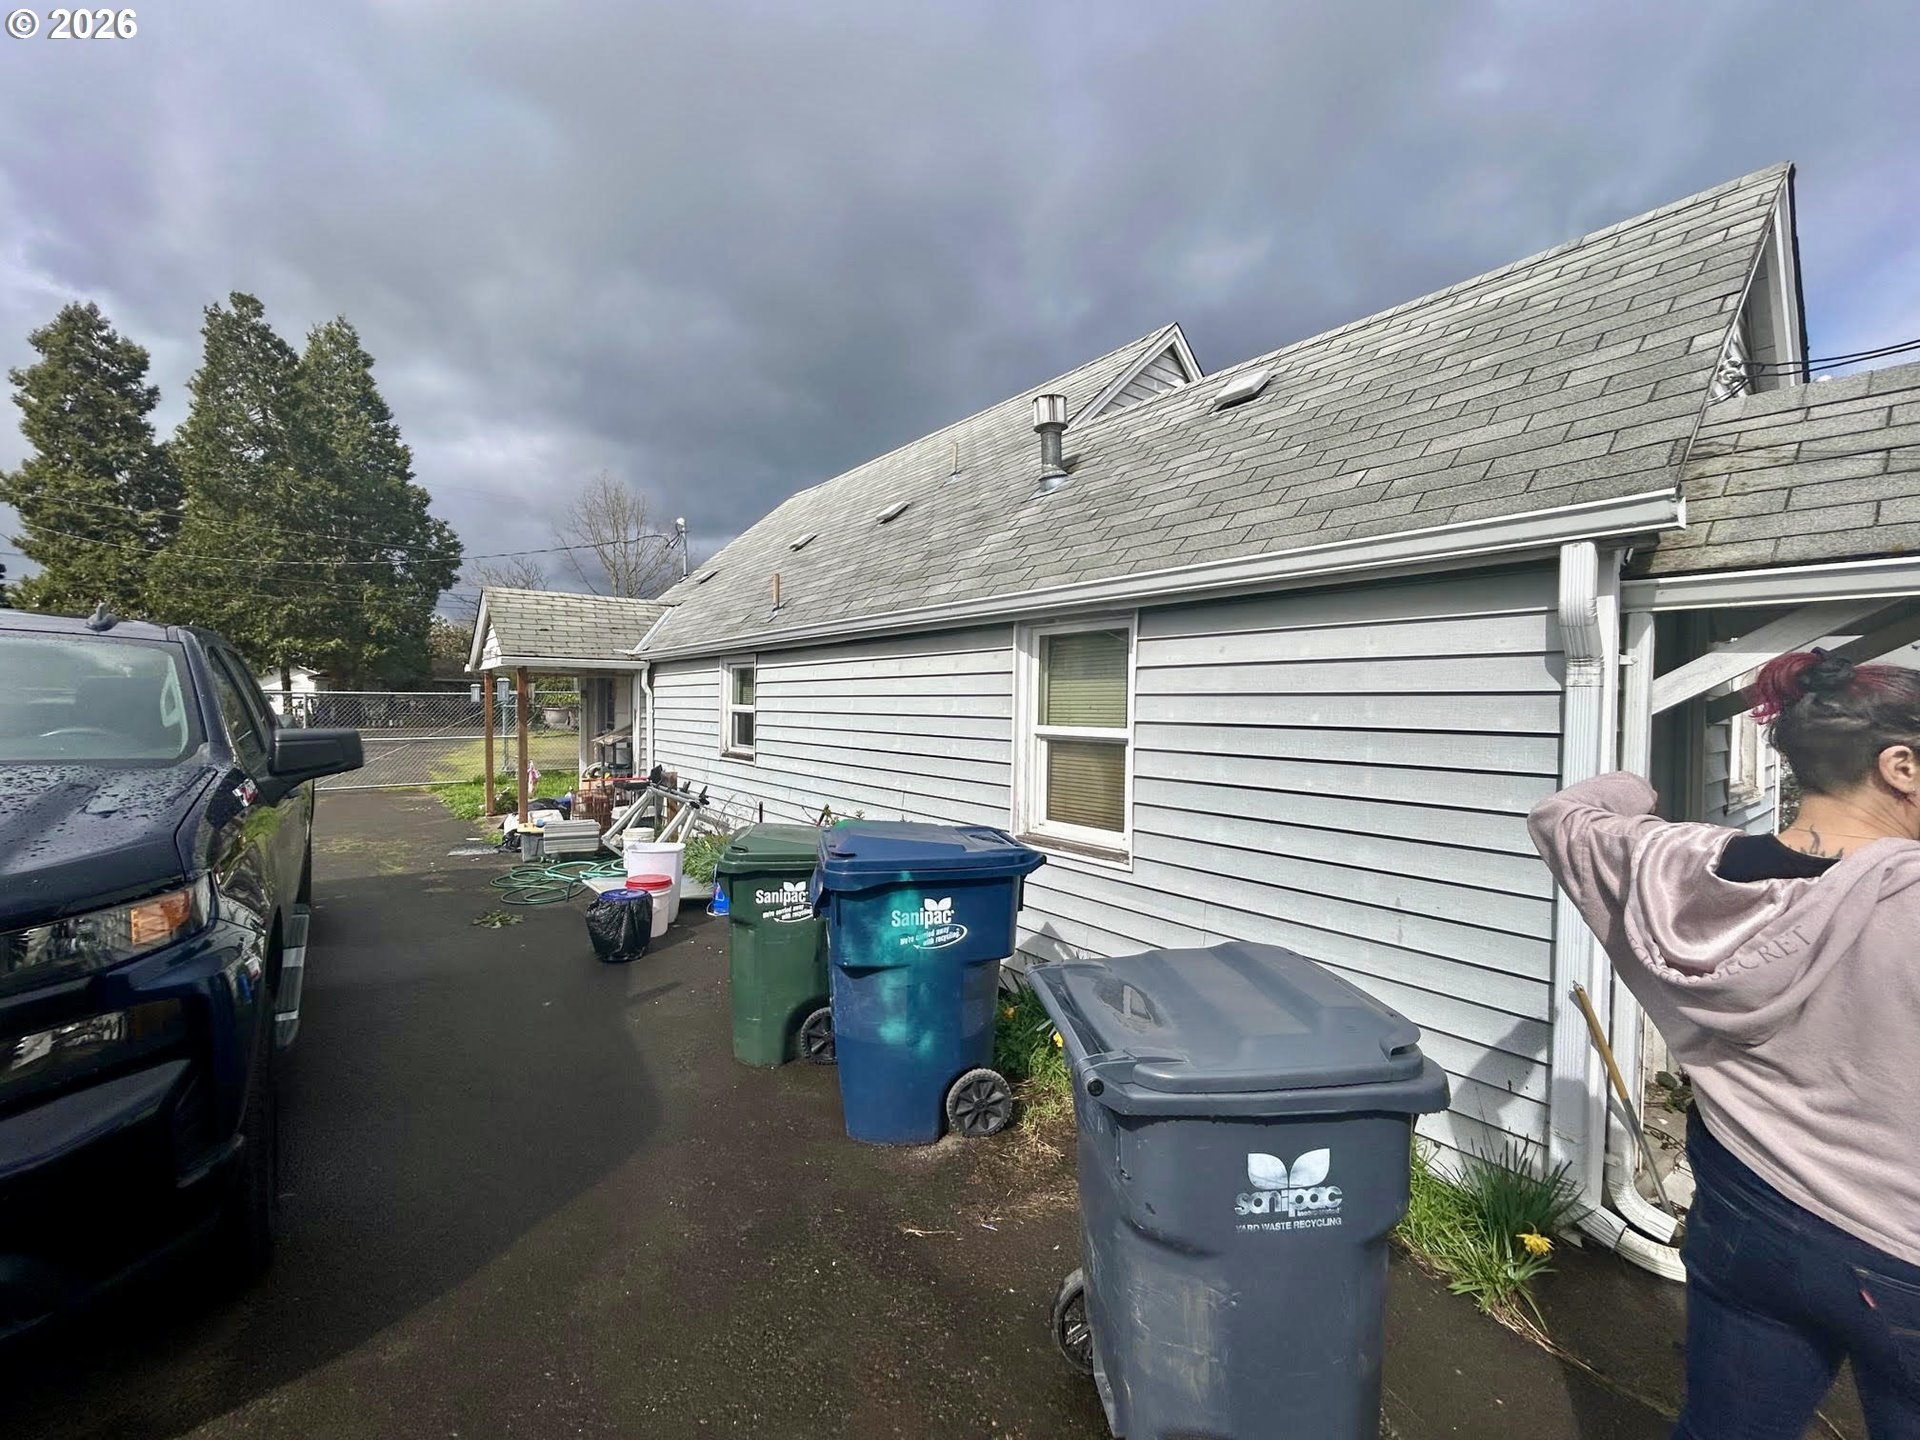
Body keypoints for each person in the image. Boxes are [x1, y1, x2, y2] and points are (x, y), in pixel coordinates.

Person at [1528, 648, 1920, 1440]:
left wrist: (1635, 787)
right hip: (1899, 1251)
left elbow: (1564, 815)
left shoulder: (1671, 868)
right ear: (1901, 767)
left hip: (1748, 1217)